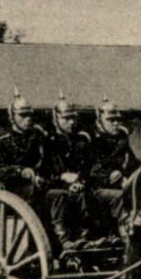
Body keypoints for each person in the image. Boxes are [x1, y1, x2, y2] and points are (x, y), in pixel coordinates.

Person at [45, 93, 95, 248]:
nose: (71, 122)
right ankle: (63, 240)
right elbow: (43, 173)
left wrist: (79, 181)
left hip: (71, 189)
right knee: (61, 195)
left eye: (73, 118)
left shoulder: (78, 142)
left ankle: (85, 238)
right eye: (66, 118)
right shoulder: (46, 143)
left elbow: (85, 168)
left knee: (86, 192)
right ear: (55, 120)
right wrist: (62, 178)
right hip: (50, 190)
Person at [0, 91, 51, 207]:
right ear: (12, 118)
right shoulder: (3, 143)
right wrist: (21, 171)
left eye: (30, 115)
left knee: (59, 195)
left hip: (37, 186)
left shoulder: (38, 140)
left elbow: (46, 165)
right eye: (22, 115)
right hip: (14, 191)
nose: (28, 119)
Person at [86, 99, 140, 227]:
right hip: (95, 189)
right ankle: (124, 232)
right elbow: (90, 171)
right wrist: (112, 176)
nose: (116, 123)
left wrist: (127, 174)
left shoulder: (121, 138)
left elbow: (133, 162)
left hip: (117, 185)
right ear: (100, 121)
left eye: (118, 120)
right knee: (121, 196)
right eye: (111, 120)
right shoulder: (91, 140)